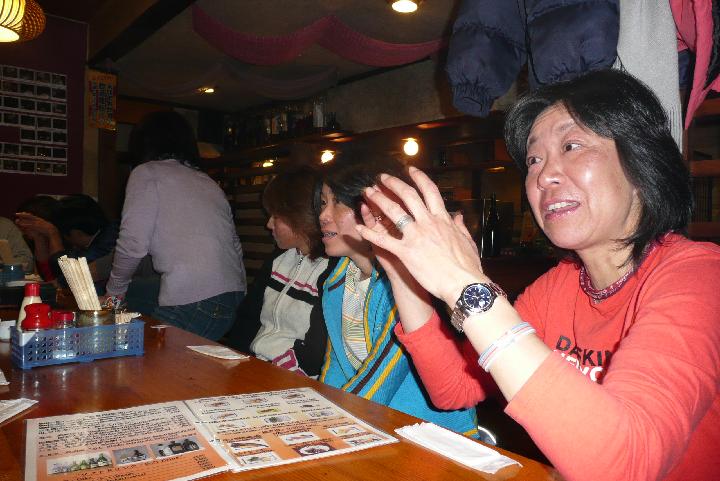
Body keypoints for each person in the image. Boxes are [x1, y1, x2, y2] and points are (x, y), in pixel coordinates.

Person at [356, 69, 720, 481]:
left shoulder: (700, 276)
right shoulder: (560, 285)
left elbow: (627, 465)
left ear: (640, 165)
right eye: (534, 160)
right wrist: (401, 268)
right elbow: (454, 388)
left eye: (571, 145)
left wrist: (465, 284)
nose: (543, 175)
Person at [316, 155, 479, 437]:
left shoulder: (407, 284)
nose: (323, 215)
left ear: (378, 210)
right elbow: (336, 365)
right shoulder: (336, 283)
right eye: (322, 203)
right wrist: (318, 405)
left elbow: (384, 373)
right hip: (372, 424)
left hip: (429, 434)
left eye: (338, 202)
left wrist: (330, 422)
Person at [105, 111, 246, 341]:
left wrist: (113, 294)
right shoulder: (208, 181)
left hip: (197, 300)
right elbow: (235, 245)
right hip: (232, 295)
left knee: (152, 358)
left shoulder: (146, 173)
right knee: (138, 293)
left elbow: (132, 244)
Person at [225, 167, 330, 377]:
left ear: (302, 217)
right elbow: (247, 319)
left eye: (276, 216)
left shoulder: (330, 271)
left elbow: (317, 353)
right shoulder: (278, 260)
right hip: (257, 367)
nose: (268, 224)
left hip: (295, 378)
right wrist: (238, 364)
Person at [15, 195, 118, 292]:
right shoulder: (102, 236)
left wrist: (52, 234)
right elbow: (50, 277)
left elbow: (65, 276)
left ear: (76, 233)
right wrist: (38, 237)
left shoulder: (110, 241)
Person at [14, 195, 60, 280]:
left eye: (26, 220)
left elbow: (59, 277)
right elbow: (46, 276)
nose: (20, 223)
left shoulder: (64, 240)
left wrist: (52, 232)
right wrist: (37, 237)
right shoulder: (32, 238)